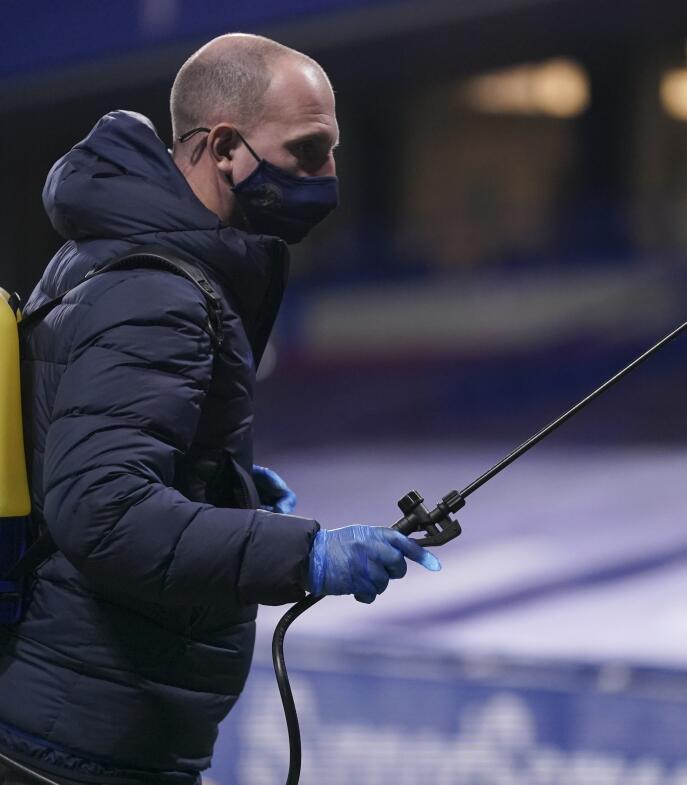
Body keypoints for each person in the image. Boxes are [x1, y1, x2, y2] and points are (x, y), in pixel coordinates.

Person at [0, 33, 440, 785]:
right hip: (79, 748)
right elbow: (102, 511)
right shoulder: (156, 290)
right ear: (225, 146)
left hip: (85, 729)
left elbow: (78, 446)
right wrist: (303, 553)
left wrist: (214, 482)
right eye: (308, 151)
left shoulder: (112, 252)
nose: (329, 176)